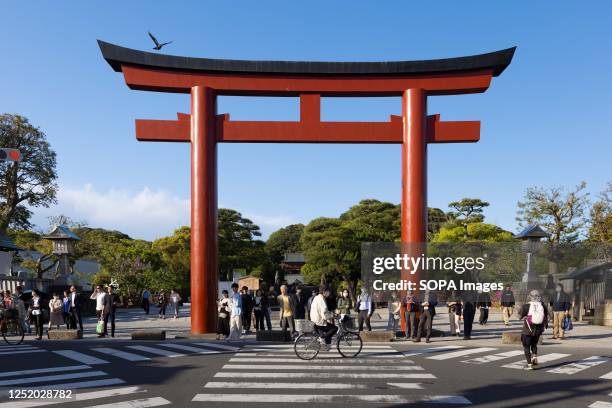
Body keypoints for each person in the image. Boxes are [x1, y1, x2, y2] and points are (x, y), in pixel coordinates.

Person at [519, 290, 549, 370]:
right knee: (534, 344)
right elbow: (546, 316)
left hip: (527, 330)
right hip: (538, 330)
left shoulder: (526, 306)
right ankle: (534, 356)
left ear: (530, 296)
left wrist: (523, 316)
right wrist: (545, 325)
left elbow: (519, 316)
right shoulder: (542, 305)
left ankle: (529, 365)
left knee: (526, 347)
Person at [310, 285, 338, 350]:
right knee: (334, 328)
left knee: (329, 329)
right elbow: (324, 315)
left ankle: (326, 346)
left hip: (314, 319)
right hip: (319, 321)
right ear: (324, 292)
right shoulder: (322, 300)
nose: (329, 293)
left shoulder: (317, 297)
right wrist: (333, 315)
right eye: (328, 292)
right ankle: (323, 338)